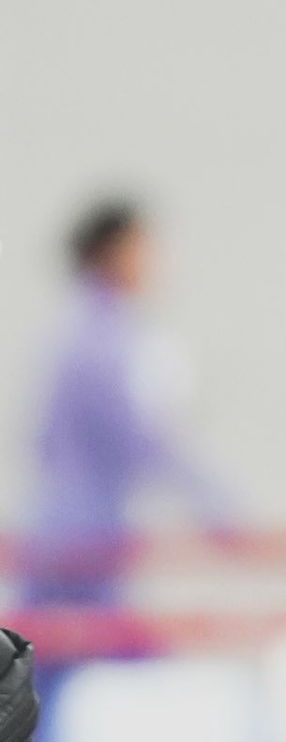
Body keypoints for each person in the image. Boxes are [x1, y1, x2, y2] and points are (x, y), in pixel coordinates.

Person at [15, 198, 235, 613]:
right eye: (142, 248)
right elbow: (146, 440)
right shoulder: (104, 341)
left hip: (63, 525)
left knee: (44, 641)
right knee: (94, 638)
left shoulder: (74, 330)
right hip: (83, 539)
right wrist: (220, 510)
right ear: (113, 252)